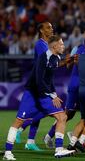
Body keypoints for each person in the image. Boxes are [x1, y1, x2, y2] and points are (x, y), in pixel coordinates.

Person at [3, 35, 75, 160]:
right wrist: (52, 95)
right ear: (54, 46)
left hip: (44, 94)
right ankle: (7, 152)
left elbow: (49, 79)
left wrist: (54, 94)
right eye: (61, 44)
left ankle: (58, 149)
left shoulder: (56, 57)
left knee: (62, 116)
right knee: (19, 121)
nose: (64, 46)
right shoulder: (43, 58)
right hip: (32, 94)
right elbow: (39, 80)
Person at [44, 26, 85, 148]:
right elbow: (68, 66)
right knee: (73, 114)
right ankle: (53, 136)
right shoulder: (80, 48)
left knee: (81, 115)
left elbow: (68, 66)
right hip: (80, 85)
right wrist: (72, 61)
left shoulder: (80, 48)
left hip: (80, 85)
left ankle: (76, 137)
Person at [15, 22, 54, 151]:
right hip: (38, 84)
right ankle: (20, 129)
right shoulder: (40, 44)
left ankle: (30, 141)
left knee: (41, 110)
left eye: (52, 27)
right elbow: (49, 60)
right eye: (48, 27)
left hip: (42, 83)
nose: (51, 29)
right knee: (45, 110)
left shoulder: (46, 45)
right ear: (42, 31)